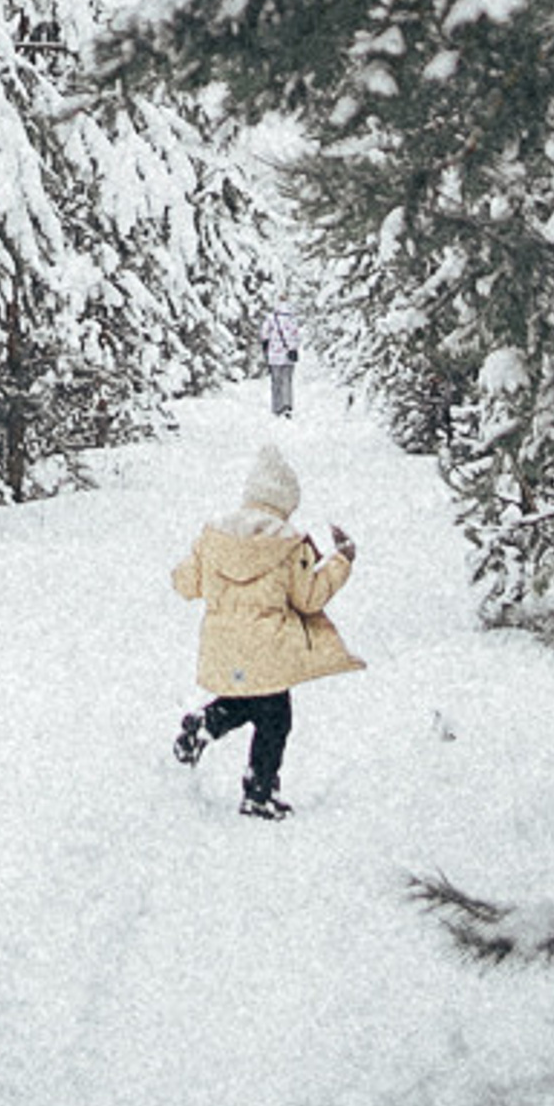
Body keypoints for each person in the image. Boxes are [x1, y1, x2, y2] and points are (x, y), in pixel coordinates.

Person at [170, 441, 362, 819]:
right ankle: (258, 793)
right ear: (287, 501)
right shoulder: (290, 544)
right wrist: (339, 562)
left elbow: (184, 584)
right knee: (275, 717)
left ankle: (206, 724)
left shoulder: (213, 536)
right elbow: (308, 599)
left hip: (223, 645)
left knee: (251, 702)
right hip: (270, 646)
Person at [258, 297, 302, 418]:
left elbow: (264, 334)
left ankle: (277, 407)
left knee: (276, 382)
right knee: (287, 380)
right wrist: (293, 348)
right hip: (289, 355)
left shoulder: (271, 319)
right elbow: (297, 337)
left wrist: (266, 347)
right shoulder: (293, 320)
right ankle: (287, 405)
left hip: (274, 355)